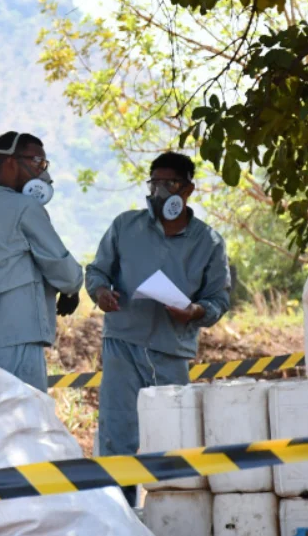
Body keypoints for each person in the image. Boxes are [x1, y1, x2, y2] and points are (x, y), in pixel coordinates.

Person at [86, 151, 230, 507]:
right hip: (122, 343)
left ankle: (174, 515)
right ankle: (119, 517)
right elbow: (97, 272)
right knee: (117, 436)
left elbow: (218, 301)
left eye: (170, 184)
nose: (160, 192)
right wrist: (101, 292)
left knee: (171, 438)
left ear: (189, 189)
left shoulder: (209, 243)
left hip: (171, 351)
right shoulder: (125, 226)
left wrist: (195, 311)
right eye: (155, 184)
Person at [0, 131, 83, 392]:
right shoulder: (25, 208)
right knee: (22, 425)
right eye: (36, 163)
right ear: (9, 162)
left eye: (44, 165)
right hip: (16, 342)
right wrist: (71, 288)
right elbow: (63, 268)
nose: (43, 173)